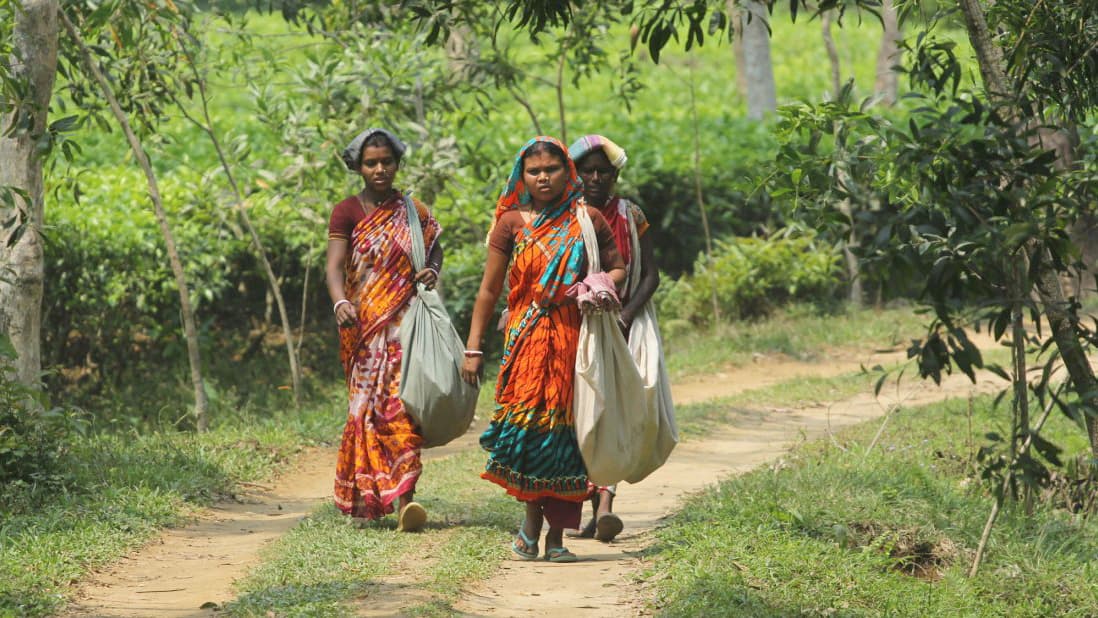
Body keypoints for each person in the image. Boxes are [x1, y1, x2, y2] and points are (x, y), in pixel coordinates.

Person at [460, 136, 626, 563]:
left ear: (565, 171)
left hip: (575, 337)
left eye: (551, 169)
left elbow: (617, 265)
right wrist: (473, 348)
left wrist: (600, 284)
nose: (543, 177)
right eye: (534, 171)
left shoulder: (587, 218)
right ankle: (532, 526)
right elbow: (489, 289)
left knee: (567, 436)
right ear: (522, 176)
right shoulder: (511, 223)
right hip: (527, 339)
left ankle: (553, 537)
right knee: (532, 434)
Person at [326, 127, 443, 532]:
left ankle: (404, 501)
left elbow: (434, 250)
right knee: (365, 412)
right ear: (358, 166)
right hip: (361, 328)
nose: (380, 169)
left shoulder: (413, 211)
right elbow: (334, 266)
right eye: (371, 163)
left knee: (399, 408)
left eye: (386, 162)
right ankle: (367, 497)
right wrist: (341, 301)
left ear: (397, 164)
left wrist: (431, 271)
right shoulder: (347, 211)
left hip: (404, 327)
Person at [565, 134, 660, 543]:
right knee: (584, 412)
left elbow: (651, 274)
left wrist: (625, 315)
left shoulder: (630, 214)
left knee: (614, 412)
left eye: (604, 171)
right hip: (575, 326)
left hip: (624, 324)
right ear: (575, 175)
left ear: (615, 175)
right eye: (587, 171)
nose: (596, 178)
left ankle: (605, 505)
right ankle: (593, 508)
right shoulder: (565, 216)